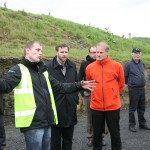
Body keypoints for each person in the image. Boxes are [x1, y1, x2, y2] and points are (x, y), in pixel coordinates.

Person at [0, 41, 96, 150]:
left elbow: (60, 87)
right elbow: (5, 86)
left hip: (47, 121)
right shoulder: (18, 69)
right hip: (32, 124)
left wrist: (80, 84)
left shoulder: (43, 71)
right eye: (37, 50)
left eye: (42, 50)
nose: (41, 53)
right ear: (27, 51)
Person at [86, 42, 124, 150]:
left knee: (115, 133)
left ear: (107, 52)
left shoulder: (117, 66)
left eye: (101, 52)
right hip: (96, 106)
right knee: (97, 135)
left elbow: (121, 84)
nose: (98, 54)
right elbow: (90, 83)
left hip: (113, 106)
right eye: (97, 52)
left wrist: (113, 94)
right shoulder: (90, 67)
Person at [46, 44, 79, 150]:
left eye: (66, 52)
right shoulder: (48, 67)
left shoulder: (72, 65)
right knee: (55, 141)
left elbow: (75, 84)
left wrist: (75, 99)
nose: (64, 54)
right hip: (55, 107)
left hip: (70, 106)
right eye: (62, 52)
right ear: (56, 52)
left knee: (68, 140)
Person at [78, 46, 106, 147]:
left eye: (96, 52)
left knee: (101, 117)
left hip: (101, 95)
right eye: (93, 52)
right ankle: (90, 138)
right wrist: (82, 91)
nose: (95, 54)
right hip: (89, 94)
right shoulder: (84, 64)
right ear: (89, 53)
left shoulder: (103, 63)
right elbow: (79, 78)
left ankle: (101, 137)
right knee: (90, 117)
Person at [124, 48, 150, 132]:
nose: (137, 54)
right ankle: (131, 125)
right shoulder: (128, 64)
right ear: (132, 54)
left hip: (142, 89)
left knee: (142, 108)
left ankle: (142, 123)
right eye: (135, 53)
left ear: (140, 54)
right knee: (132, 108)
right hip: (133, 89)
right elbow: (125, 77)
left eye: (139, 53)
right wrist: (131, 84)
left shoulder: (142, 63)